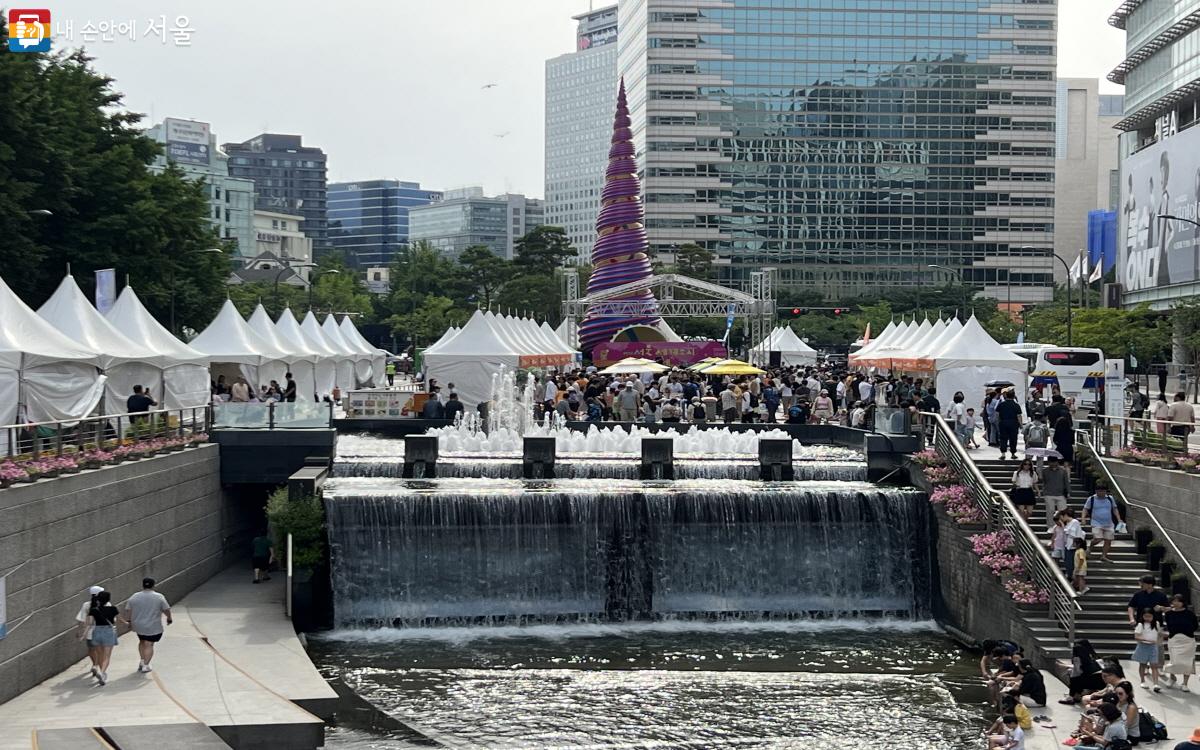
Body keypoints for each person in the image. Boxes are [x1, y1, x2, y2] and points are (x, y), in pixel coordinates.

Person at [125, 577, 172, 674]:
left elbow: (128, 609)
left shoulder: (134, 596)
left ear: (142, 585)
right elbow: (166, 609)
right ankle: (146, 665)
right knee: (149, 644)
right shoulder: (159, 597)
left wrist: (129, 621)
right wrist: (169, 617)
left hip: (138, 625)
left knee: (142, 641)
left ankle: (142, 661)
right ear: (153, 585)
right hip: (152, 626)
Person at [84, 590, 124, 686]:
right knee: (106, 656)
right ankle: (102, 673)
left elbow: (89, 624)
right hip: (108, 632)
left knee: (100, 654)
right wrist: (128, 623)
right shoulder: (113, 609)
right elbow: (120, 620)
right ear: (108, 600)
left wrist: (84, 635)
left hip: (96, 632)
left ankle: (101, 672)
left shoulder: (93, 610)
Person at [1164, 594, 1197, 691]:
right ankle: (1172, 677)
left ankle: (1185, 683)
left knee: (1187, 662)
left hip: (1188, 640)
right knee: (1174, 660)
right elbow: (1169, 625)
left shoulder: (1189, 613)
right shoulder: (1169, 613)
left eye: (1179, 601)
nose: (1176, 603)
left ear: (1183, 602)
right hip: (1174, 639)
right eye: (1174, 601)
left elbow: (1195, 625)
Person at [1083, 484, 1122, 563]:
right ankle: (1090, 547)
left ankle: (1103, 556)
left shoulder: (1110, 499)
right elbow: (1085, 509)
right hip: (1096, 522)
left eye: (1103, 491)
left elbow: (1114, 509)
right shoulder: (1091, 499)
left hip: (1109, 523)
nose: (1101, 493)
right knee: (1098, 538)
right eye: (1099, 491)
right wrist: (1083, 518)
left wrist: (1119, 519)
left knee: (1108, 540)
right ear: (1096, 491)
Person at [1061, 639, 1106, 705]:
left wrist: (1070, 671)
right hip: (1102, 681)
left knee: (1074, 678)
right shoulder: (1093, 656)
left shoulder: (1077, 658)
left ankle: (1071, 697)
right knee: (1078, 676)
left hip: (1096, 682)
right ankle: (1077, 695)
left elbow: (1077, 672)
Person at [75, 584, 106, 678]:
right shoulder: (106, 603)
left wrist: (79, 631)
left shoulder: (86, 605)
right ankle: (99, 669)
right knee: (102, 652)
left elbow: (81, 619)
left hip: (90, 633)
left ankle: (94, 665)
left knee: (91, 650)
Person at [1133, 608, 1164, 691]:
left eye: (1149, 616)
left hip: (1153, 647)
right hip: (1143, 646)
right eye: (1145, 616)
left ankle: (1156, 684)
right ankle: (1142, 681)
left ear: (1153, 616)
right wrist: (1147, 640)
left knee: (1154, 665)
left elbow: (1159, 634)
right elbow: (1136, 636)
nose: (1147, 618)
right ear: (1142, 616)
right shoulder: (1140, 625)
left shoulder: (1156, 624)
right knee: (1143, 664)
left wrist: (1162, 637)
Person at [1040, 457, 1071, 529]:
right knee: (1050, 511)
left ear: (1057, 462)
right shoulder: (1045, 471)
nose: (1053, 463)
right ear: (1048, 462)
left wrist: (1068, 492)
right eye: (1051, 462)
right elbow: (1043, 481)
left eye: (1054, 462)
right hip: (1048, 493)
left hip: (1061, 494)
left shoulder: (1063, 470)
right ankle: (1050, 526)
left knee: (1063, 511)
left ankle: (1063, 526)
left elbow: (1066, 482)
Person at [996, 391, 1023, 461]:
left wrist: (999, 422)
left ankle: (1003, 454)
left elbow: (997, 415)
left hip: (1003, 422)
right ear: (1014, 396)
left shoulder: (1001, 404)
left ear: (1006, 396)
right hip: (1013, 423)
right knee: (1013, 438)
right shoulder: (1016, 405)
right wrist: (1021, 425)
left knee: (1003, 438)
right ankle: (1013, 454)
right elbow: (1019, 416)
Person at [1063, 508, 1086, 581]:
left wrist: (1064, 528)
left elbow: (1072, 534)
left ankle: (1075, 581)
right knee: (1068, 564)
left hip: (1073, 547)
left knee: (1071, 564)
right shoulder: (1068, 523)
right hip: (1068, 546)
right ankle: (1072, 580)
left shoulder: (1075, 522)